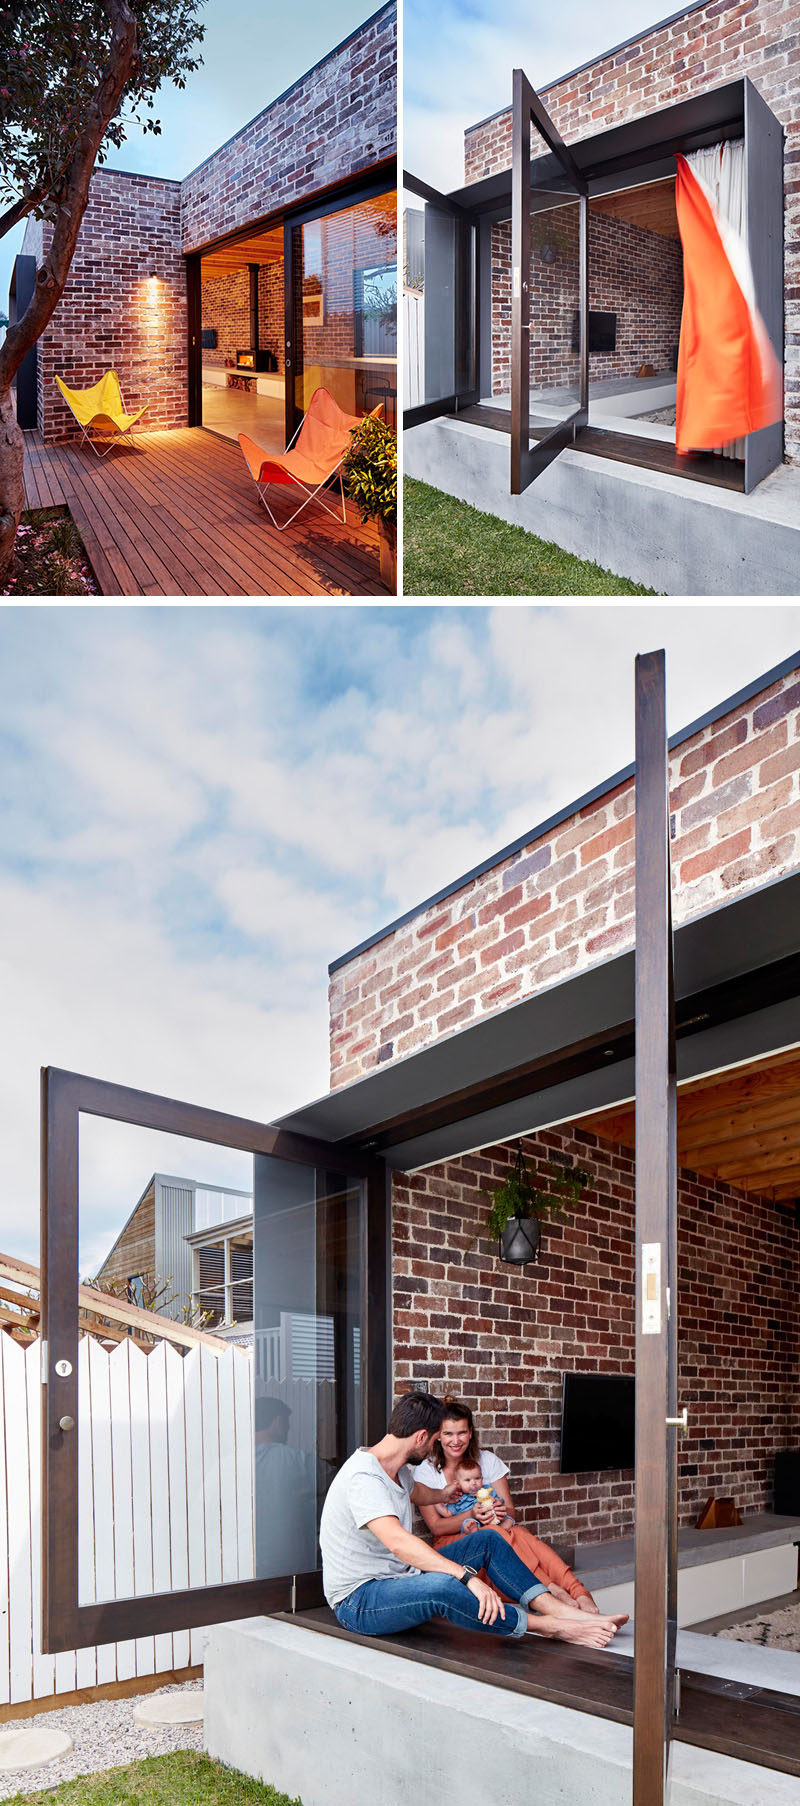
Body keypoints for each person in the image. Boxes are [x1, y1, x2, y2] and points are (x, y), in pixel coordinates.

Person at [318, 1390, 626, 1648]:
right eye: (436, 1439)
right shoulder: (364, 1478)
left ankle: (559, 1609)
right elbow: (399, 1543)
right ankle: (549, 1626)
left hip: (401, 1578)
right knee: (442, 1585)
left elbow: (419, 1492)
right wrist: (465, 1577)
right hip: (359, 1600)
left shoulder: (395, 1469)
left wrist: (444, 1494)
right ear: (422, 1436)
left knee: (490, 1538)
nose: (434, 1449)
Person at [414, 1397, 599, 1611]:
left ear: (471, 1432)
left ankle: (579, 1593)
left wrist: (500, 1511)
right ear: (438, 1436)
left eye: (461, 1432)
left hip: (499, 1530)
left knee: (517, 1533)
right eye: (448, 1434)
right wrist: (472, 1515)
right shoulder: (426, 1470)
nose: (455, 1440)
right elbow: (436, 1526)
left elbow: (511, 1512)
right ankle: (552, 1590)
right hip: (458, 1545)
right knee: (499, 1536)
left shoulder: (487, 1460)